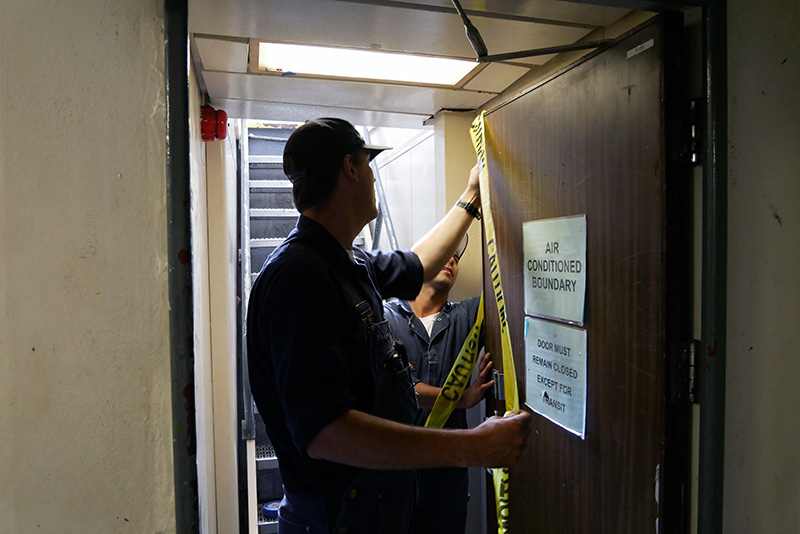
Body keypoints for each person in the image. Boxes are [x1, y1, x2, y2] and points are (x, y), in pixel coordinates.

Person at [246, 117, 530, 534]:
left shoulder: (347, 262)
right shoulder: (300, 278)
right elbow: (328, 433)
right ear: (351, 168)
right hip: (336, 521)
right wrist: (473, 446)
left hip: (371, 512)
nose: (374, 179)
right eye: (368, 164)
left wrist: (471, 196)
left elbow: (419, 264)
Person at [385, 234, 493, 534]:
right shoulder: (386, 317)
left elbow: (507, 288)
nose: (452, 260)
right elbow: (403, 388)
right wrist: (463, 398)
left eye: (456, 258)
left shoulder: (468, 315)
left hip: (448, 477)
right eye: (445, 252)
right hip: (396, 473)